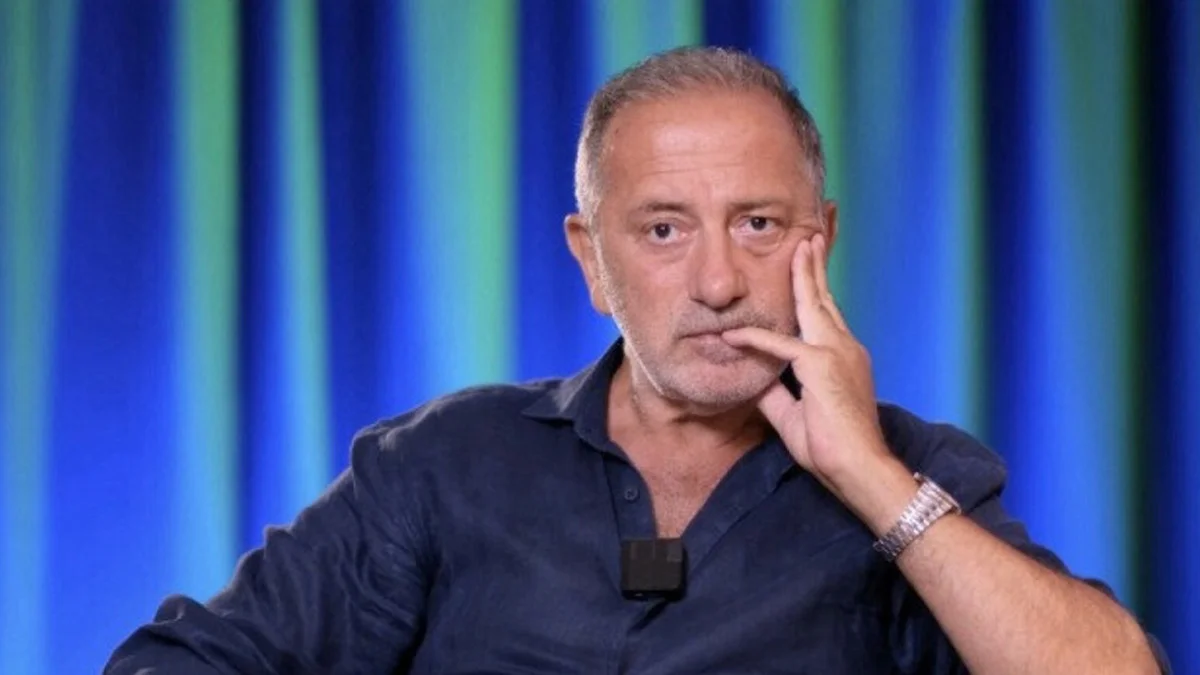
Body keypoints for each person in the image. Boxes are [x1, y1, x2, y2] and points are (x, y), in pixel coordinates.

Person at [106, 46, 1169, 674]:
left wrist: (872, 482)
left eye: (758, 224)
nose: (717, 281)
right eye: (664, 230)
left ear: (822, 240)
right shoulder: (445, 463)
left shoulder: (914, 470)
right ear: (591, 260)